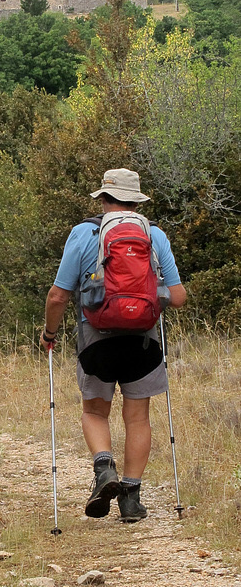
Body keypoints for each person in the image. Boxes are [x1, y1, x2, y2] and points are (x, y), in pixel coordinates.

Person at [40, 168, 186, 522]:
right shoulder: (155, 236)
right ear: (136, 202)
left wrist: (49, 334)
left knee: (94, 412)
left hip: (96, 339)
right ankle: (131, 500)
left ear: (102, 199)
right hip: (142, 342)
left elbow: (59, 295)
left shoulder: (83, 233)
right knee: (138, 418)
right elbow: (179, 297)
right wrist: (148, 299)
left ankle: (104, 468)